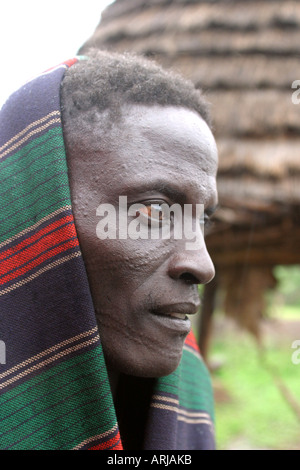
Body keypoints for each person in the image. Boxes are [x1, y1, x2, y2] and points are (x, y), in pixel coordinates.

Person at [0, 50, 218, 450]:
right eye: (155, 210)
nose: (203, 265)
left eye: (203, 219)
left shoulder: (191, 400)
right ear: (41, 214)